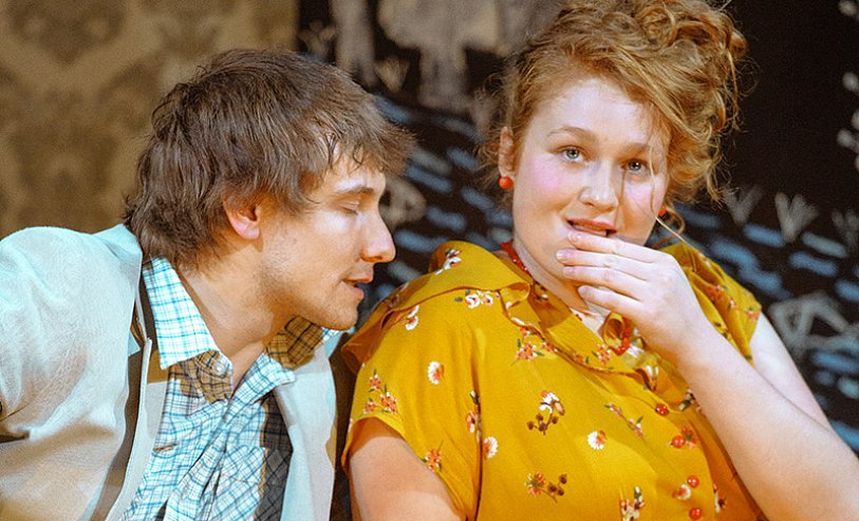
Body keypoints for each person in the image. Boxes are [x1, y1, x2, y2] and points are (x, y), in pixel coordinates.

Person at [342, 1, 859, 520]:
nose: (602, 195)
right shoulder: (439, 325)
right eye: (573, 152)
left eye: (636, 165)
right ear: (509, 154)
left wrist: (695, 344)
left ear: (666, 186)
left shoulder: (709, 298)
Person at [0, 49, 412, 521]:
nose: (383, 246)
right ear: (246, 209)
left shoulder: (332, 362)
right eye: (351, 207)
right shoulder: (57, 290)